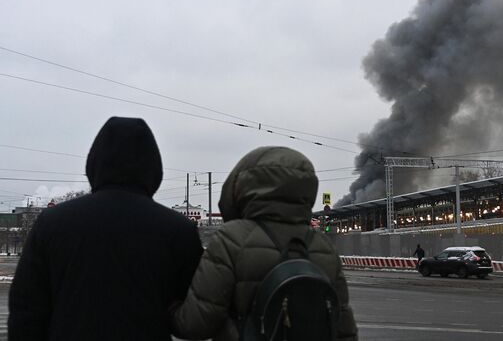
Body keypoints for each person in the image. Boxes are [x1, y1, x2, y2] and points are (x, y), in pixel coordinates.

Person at [8, 117, 204, 340]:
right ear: (153, 167)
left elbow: (26, 310)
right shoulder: (179, 230)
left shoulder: (51, 223)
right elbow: (192, 316)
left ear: (94, 163)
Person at [171, 146, 358, 341]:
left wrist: (165, 309)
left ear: (243, 186)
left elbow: (195, 324)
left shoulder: (232, 239)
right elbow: (343, 328)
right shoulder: (323, 246)